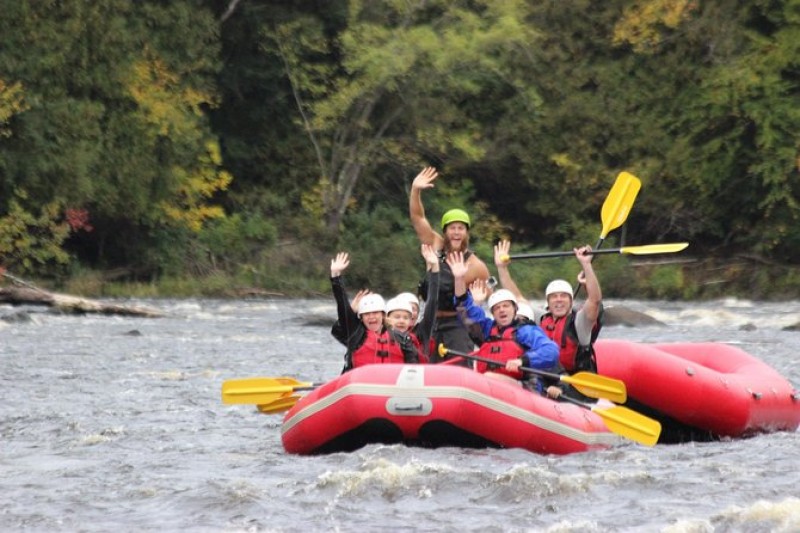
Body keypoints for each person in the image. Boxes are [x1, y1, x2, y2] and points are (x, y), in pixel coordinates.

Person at [494, 240, 604, 399]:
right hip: (545, 378)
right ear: (548, 302)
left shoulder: (580, 323)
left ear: (571, 301)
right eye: (554, 297)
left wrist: (587, 266)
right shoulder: (541, 319)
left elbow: (594, 300)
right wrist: (502, 268)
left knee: (557, 392)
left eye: (563, 296)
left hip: (576, 384)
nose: (558, 300)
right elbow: (516, 298)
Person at [409, 166, 491, 359]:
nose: (456, 232)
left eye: (460, 228)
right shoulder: (435, 244)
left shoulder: (476, 265)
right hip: (430, 322)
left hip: (458, 325)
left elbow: (488, 294)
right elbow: (417, 217)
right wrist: (415, 189)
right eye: (452, 228)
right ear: (445, 232)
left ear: (466, 233)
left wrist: (478, 300)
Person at [446, 251, 559, 387]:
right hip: (490, 386)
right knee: (480, 377)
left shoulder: (526, 331)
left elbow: (551, 350)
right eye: (497, 308)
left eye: (506, 306)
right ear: (492, 313)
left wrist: (522, 361)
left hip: (524, 386)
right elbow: (464, 308)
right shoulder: (487, 330)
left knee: (487, 377)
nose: (502, 310)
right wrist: (459, 279)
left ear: (515, 309)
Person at [330, 252, 419, 373]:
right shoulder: (356, 334)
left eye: (375, 313)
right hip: (358, 385)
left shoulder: (401, 338)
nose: (371, 317)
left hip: (390, 386)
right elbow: (342, 305)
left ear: (383, 315)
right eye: (367, 314)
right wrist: (336, 276)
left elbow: (413, 367)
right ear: (361, 318)